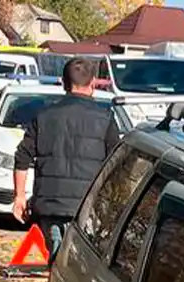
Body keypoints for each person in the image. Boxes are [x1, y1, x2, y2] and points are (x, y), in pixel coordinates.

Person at [12, 57, 121, 262]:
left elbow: (22, 156)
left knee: (57, 263)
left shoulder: (44, 115)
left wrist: (19, 197)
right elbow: (116, 164)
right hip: (86, 209)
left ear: (63, 83)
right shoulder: (105, 119)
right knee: (79, 271)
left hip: (50, 206)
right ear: (94, 83)